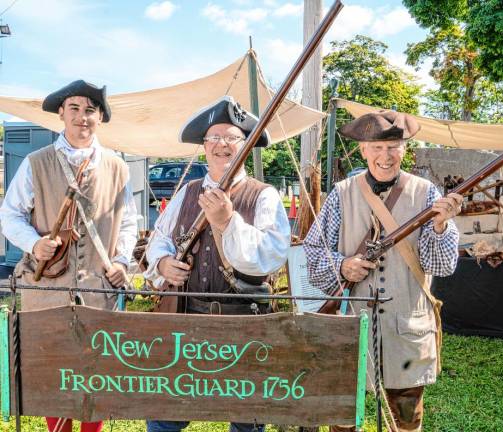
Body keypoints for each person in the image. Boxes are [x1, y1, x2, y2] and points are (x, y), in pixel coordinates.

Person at [303, 111, 462, 432]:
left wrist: (441, 225)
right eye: (376, 147)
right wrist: (342, 265)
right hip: (352, 326)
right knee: (343, 417)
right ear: (363, 150)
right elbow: (313, 252)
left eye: (393, 147)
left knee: (406, 417)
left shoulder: (427, 193)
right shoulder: (342, 193)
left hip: (406, 327)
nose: (385, 156)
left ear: (405, 150)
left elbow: (440, 265)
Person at [144, 96, 291, 432]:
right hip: (187, 318)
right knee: (166, 411)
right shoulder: (188, 191)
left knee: (247, 416)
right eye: (215, 138)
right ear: (205, 146)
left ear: (246, 146)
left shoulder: (262, 195)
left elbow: (269, 255)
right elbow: (160, 239)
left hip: (245, 323)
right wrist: (164, 262)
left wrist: (227, 222)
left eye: (232, 139)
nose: (223, 145)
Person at [0, 80, 137, 432]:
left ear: (100, 118)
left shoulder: (118, 168)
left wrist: (121, 262)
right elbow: (10, 215)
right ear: (61, 113)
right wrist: (34, 244)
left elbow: (128, 224)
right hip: (47, 287)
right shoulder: (36, 162)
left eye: (90, 110)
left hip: (97, 288)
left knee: (97, 374)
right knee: (55, 371)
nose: (82, 117)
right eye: (74, 108)